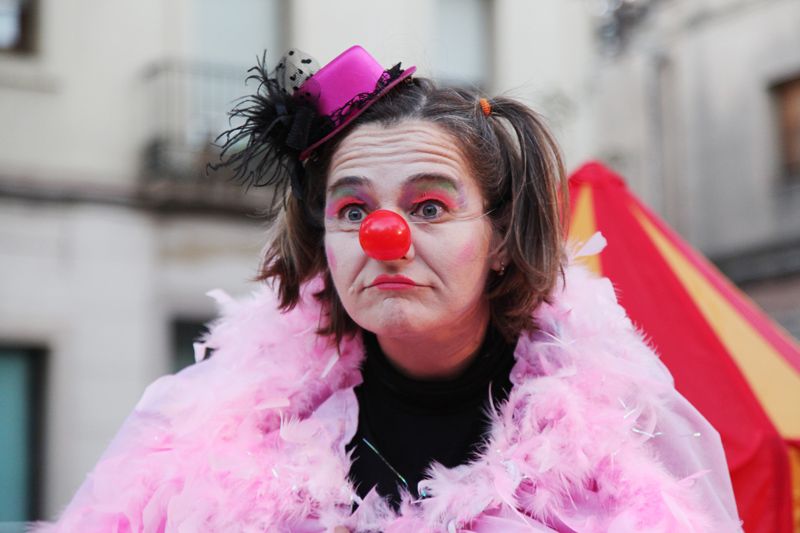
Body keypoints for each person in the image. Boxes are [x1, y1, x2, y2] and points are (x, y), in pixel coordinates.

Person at [36, 45, 743, 532]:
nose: (385, 237)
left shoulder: (627, 427)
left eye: (428, 207)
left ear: (500, 239)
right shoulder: (203, 419)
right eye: (352, 211)